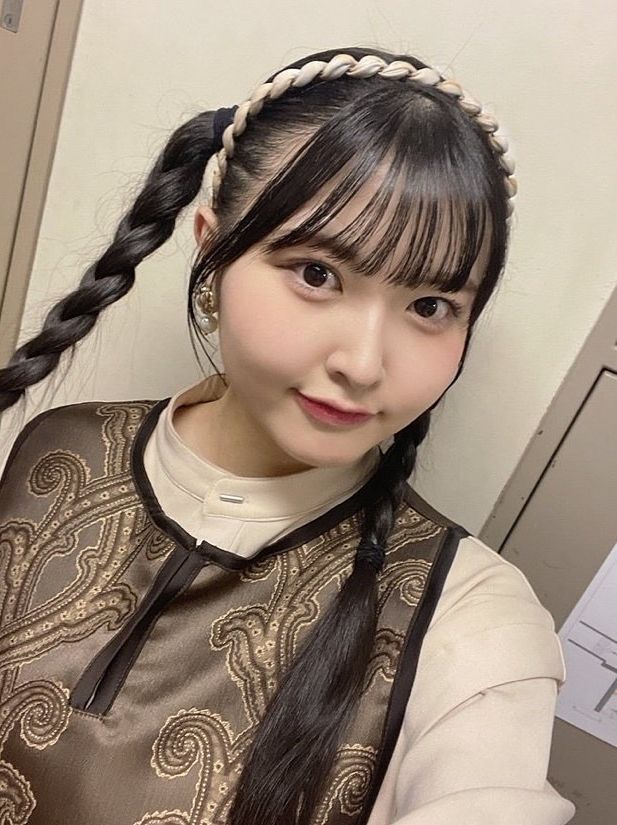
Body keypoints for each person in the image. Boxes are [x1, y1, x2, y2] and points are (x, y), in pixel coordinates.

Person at [0, 47, 575, 825]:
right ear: (212, 248)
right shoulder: (58, 447)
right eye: (316, 274)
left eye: (429, 305)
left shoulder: (472, 618)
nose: (363, 363)